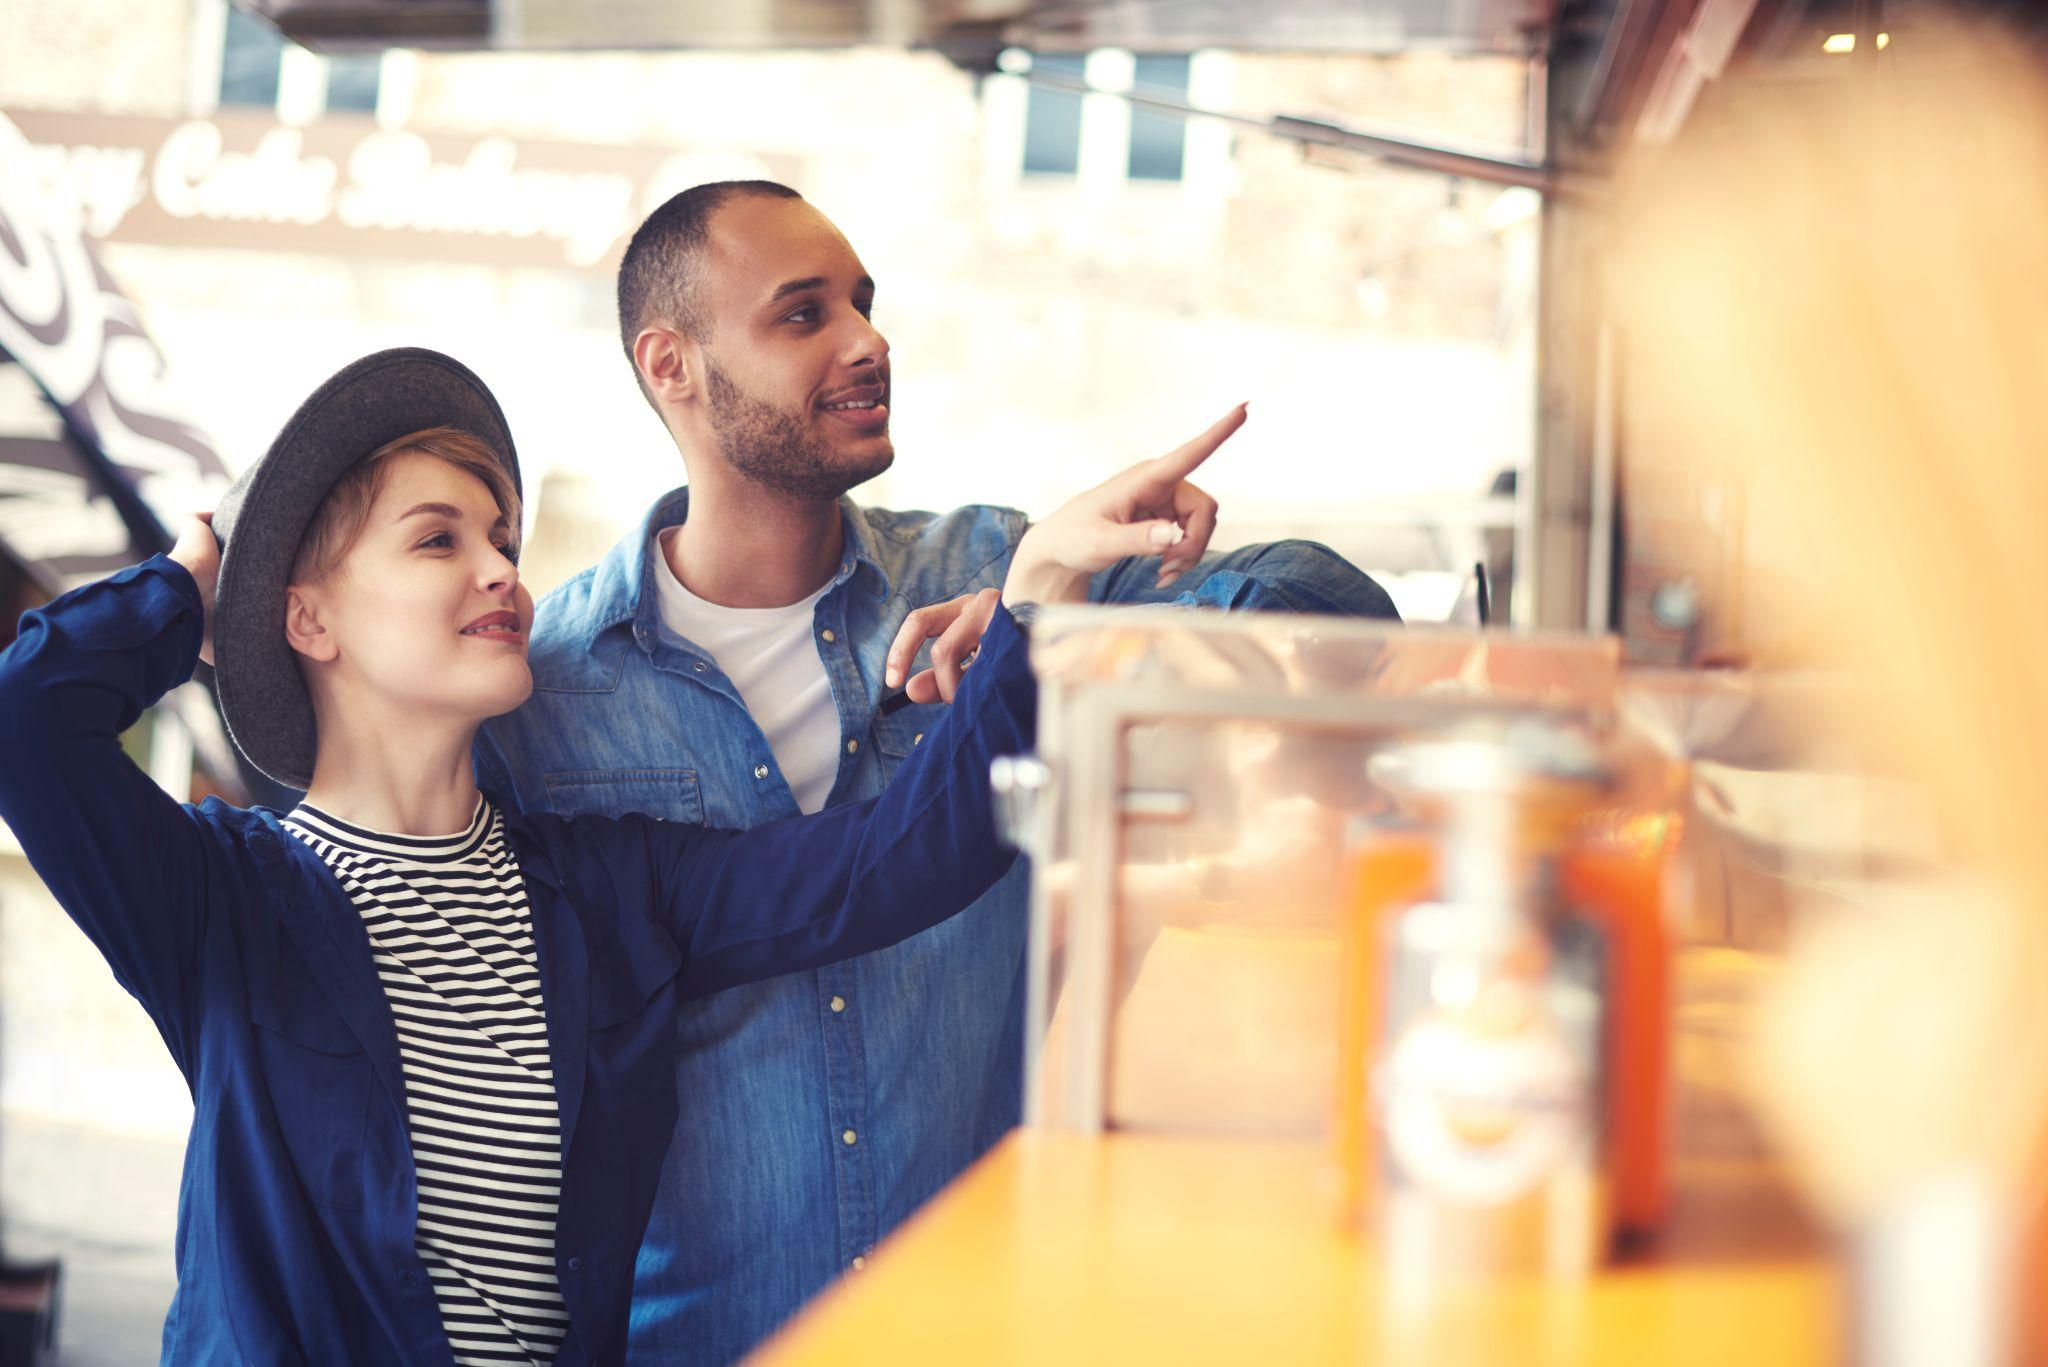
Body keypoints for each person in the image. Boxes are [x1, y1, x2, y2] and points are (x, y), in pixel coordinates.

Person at [0, 347, 1233, 1365]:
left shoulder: (603, 888)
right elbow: (25, 717)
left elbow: (891, 864)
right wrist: (185, 588)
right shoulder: (222, 900)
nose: (501, 570)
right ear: (308, 617)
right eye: (438, 542)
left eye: (502, 538)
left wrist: (1030, 600)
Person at [472, 179, 1402, 1362]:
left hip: (988, 1327)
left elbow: (1343, 621)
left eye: (863, 303)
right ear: (673, 366)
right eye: (801, 315)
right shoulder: (544, 699)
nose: (869, 341)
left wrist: (1050, 621)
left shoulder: (1004, 568)